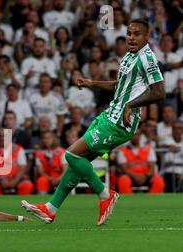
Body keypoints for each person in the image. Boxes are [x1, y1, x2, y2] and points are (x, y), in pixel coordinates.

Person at [21, 19, 165, 226]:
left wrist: (130, 105)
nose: (132, 38)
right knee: (79, 160)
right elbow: (120, 86)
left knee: (71, 154)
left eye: (137, 34)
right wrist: (92, 83)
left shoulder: (148, 59)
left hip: (120, 123)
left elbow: (159, 92)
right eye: (129, 33)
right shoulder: (129, 56)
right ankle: (50, 209)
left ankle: (105, 195)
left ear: (147, 37)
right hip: (109, 115)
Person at [0, 129, 33, 196]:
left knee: (27, 185)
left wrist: (15, 180)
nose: (2, 138)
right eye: (0, 136)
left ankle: (22, 204)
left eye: (5, 136)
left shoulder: (19, 149)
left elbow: (23, 167)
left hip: (16, 178)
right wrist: (1, 179)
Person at [116, 128, 165, 194]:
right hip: (130, 176)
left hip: (146, 176)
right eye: (134, 135)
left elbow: (152, 167)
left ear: (140, 136)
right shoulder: (123, 151)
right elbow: (124, 169)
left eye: (138, 135)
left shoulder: (148, 149)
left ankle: (152, 202)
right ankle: (129, 203)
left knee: (158, 180)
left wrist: (145, 176)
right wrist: (135, 176)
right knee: (123, 181)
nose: (136, 137)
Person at [35, 131, 67, 195]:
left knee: (66, 179)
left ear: (54, 139)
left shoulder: (61, 152)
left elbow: (65, 170)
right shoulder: (39, 153)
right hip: (46, 176)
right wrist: (50, 179)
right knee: (42, 180)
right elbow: (41, 172)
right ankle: (42, 200)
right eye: (45, 138)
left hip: (60, 176)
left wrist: (57, 179)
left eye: (49, 138)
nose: (47, 140)